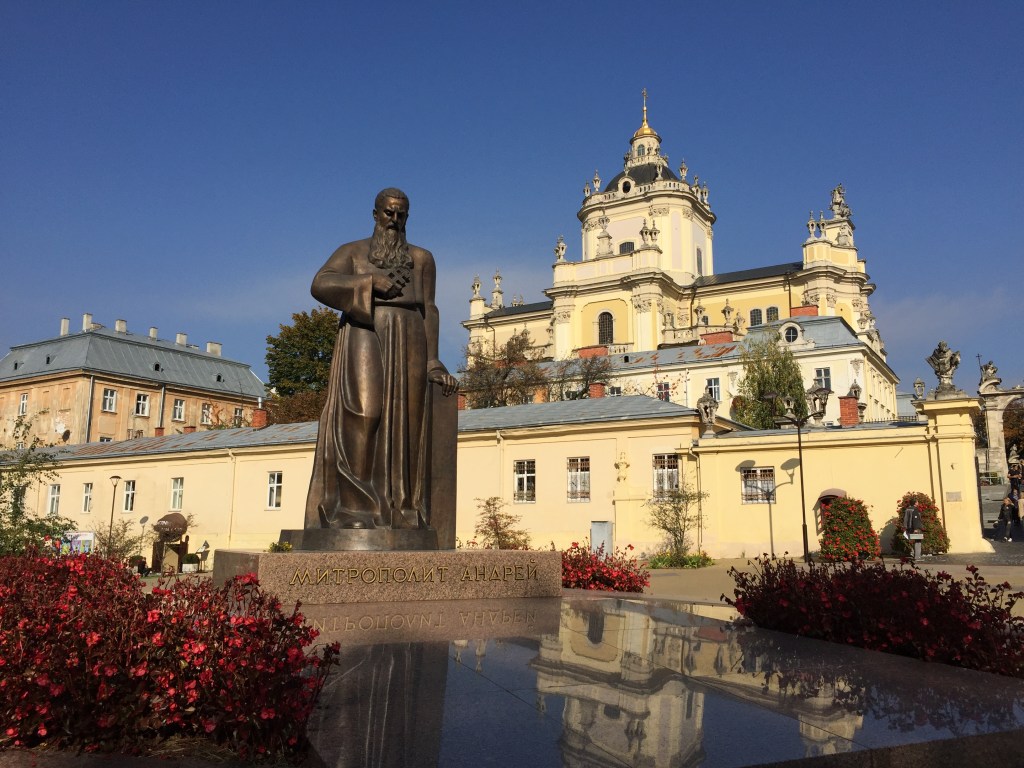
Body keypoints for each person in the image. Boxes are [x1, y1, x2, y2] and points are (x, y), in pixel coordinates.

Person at [304, 188, 458, 530]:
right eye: (388, 213)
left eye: (401, 214)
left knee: (405, 421)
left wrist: (433, 360)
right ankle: (354, 509)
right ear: (375, 214)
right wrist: (369, 282)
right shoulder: (353, 252)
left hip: (410, 334)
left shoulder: (421, 258)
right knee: (364, 412)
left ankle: (401, 508)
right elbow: (320, 283)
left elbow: (429, 308)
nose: (394, 220)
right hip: (365, 328)